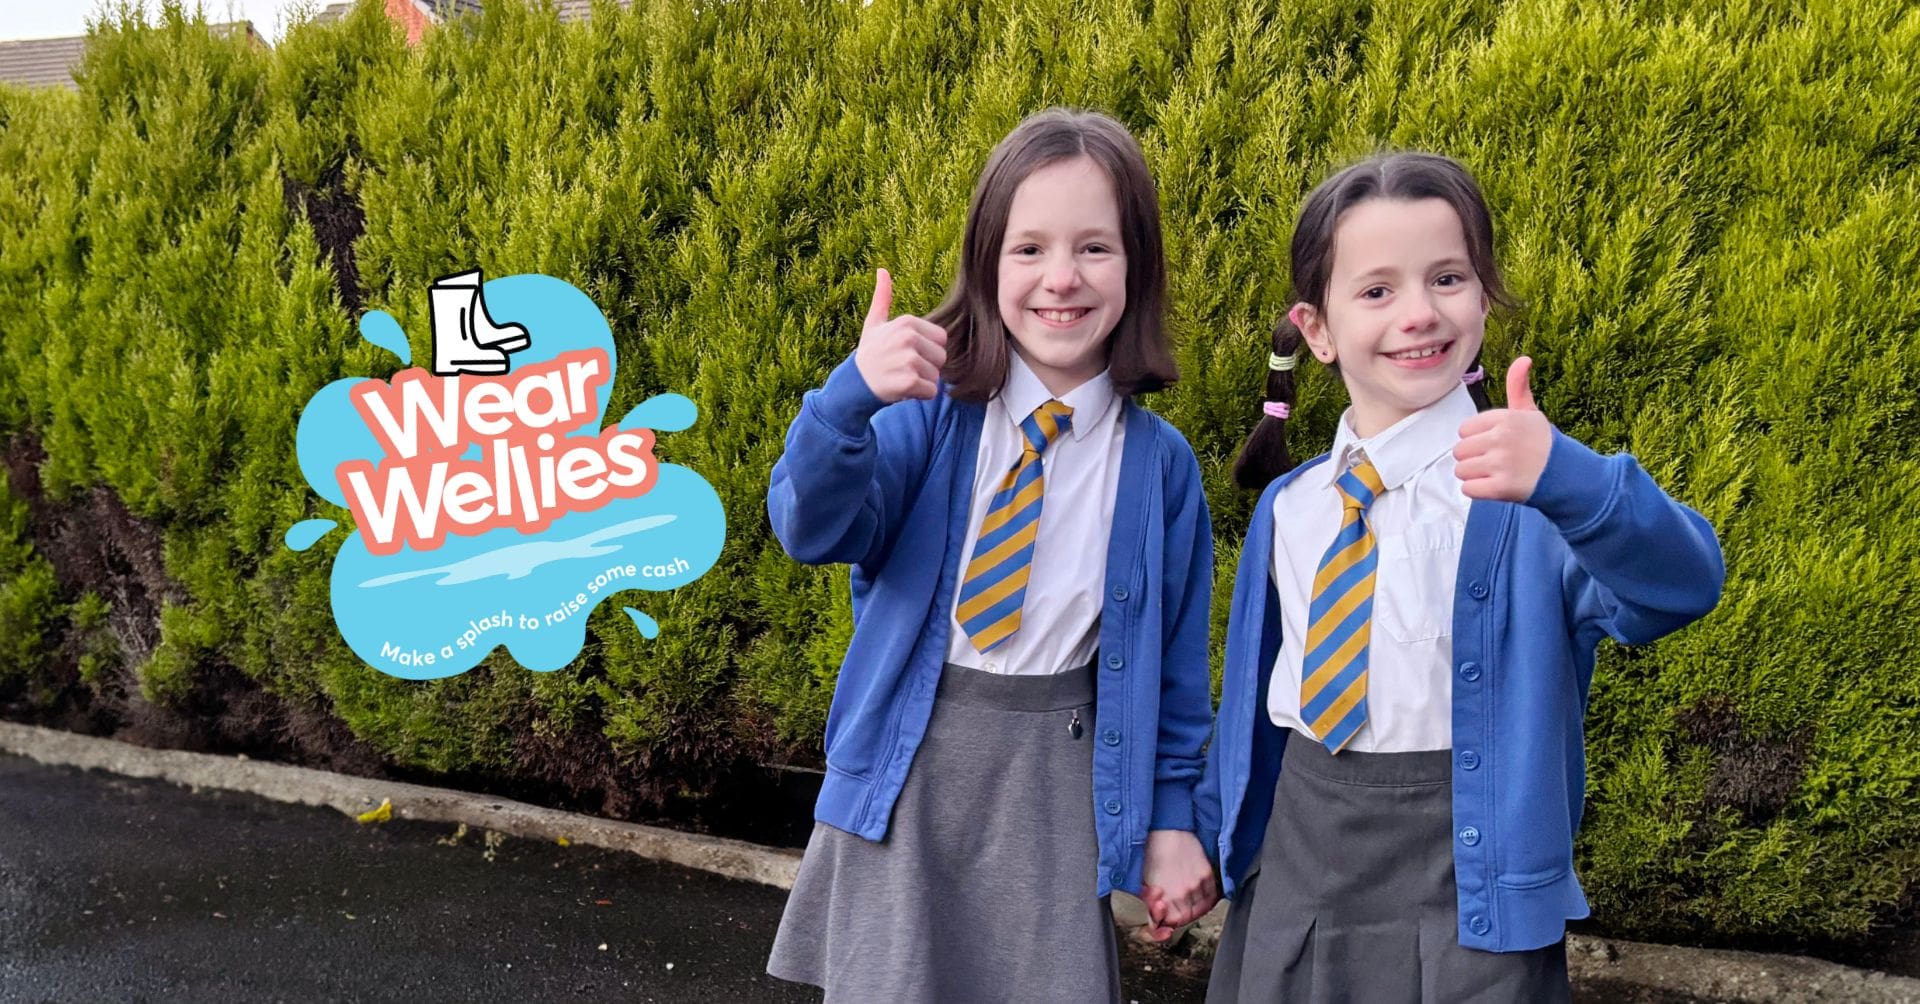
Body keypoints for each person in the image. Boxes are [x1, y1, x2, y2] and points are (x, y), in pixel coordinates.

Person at [1195, 151, 1725, 1002]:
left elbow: (1682, 586)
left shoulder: (1534, 503)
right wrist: (1203, 831)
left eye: (1447, 277)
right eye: (1376, 290)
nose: (1418, 313)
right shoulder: (1290, 509)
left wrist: (1575, 482)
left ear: (1483, 294)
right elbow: (1252, 710)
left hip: (1465, 905)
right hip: (1296, 874)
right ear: (1318, 328)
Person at [765, 107, 1218, 1002]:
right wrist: (846, 400)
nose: (1062, 278)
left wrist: (1175, 820)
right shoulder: (922, 418)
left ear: (1137, 267)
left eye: (1095, 248)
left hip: (1052, 793)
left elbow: (1174, 679)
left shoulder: (1161, 468)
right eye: (1029, 249)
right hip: (910, 780)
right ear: (986, 263)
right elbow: (809, 526)